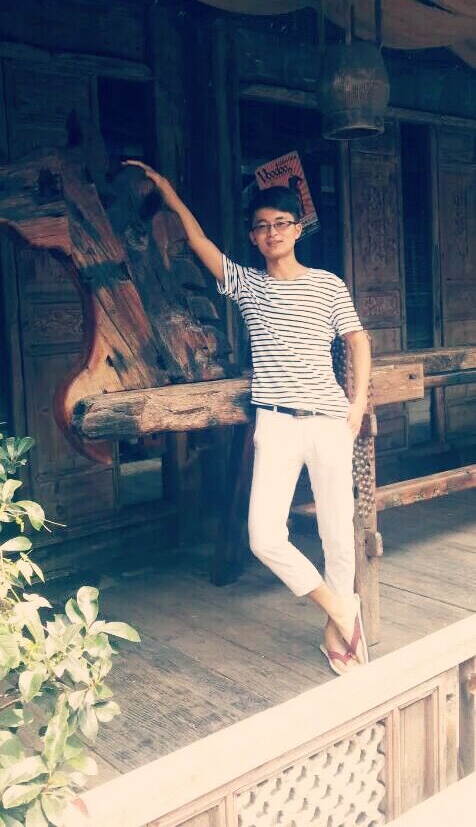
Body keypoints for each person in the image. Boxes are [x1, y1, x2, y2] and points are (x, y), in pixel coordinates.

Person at [125, 160, 372, 674]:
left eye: (281, 223)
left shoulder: (327, 285)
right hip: (276, 423)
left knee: (337, 534)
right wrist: (168, 191)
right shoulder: (249, 286)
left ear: (297, 229)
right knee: (264, 536)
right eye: (261, 226)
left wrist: (356, 404)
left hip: (329, 419)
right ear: (254, 237)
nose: (271, 232)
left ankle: (336, 632)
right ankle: (342, 609)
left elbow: (357, 340)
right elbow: (199, 243)